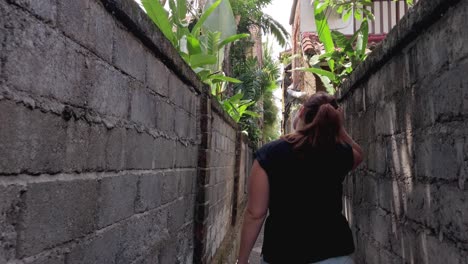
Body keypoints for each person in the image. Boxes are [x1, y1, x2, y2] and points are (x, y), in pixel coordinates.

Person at [237, 92, 363, 264]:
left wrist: (241, 260)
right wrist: (340, 129)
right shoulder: (338, 153)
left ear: (302, 111)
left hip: (281, 254)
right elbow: (359, 154)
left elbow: (255, 214)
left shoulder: (270, 153)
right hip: (335, 254)